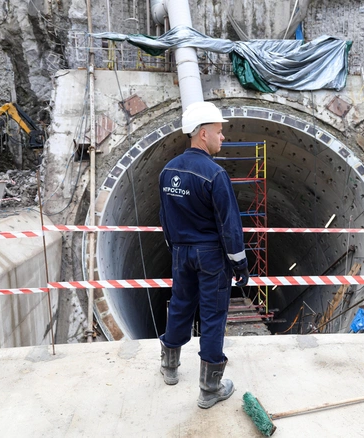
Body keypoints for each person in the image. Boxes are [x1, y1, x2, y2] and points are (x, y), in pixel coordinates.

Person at [158, 101, 249, 409]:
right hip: (210, 255)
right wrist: (239, 262)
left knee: (181, 305)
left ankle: (169, 367)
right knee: (212, 317)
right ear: (203, 133)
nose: (223, 138)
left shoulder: (168, 171)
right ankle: (210, 389)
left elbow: (165, 217)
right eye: (220, 132)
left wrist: (176, 250)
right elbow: (229, 225)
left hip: (181, 252)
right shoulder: (215, 174)